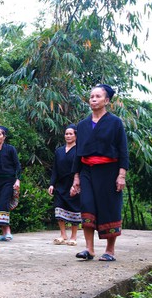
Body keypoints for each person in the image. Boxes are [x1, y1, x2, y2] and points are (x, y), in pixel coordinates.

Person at [71, 84, 129, 261]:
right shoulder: (82, 125)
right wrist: (76, 176)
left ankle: (110, 250)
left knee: (109, 208)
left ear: (107, 100)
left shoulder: (115, 122)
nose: (93, 99)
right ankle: (89, 249)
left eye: (97, 96)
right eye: (91, 97)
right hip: (87, 171)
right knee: (87, 206)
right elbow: (78, 152)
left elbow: (123, 150)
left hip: (109, 171)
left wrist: (121, 175)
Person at [48, 124, 81, 246]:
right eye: (66, 134)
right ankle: (63, 234)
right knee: (58, 208)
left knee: (74, 210)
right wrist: (52, 184)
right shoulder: (59, 151)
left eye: (70, 133)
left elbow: (81, 169)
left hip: (73, 184)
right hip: (60, 184)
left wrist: (78, 184)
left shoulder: (79, 151)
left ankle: (73, 236)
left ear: (76, 135)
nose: (68, 136)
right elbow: (55, 169)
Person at [0, 126, 21, 242]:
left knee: (3, 203)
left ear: (4, 137)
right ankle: (3, 233)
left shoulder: (10, 149)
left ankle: (8, 231)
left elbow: (17, 165)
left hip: (8, 181)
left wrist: (17, 179)